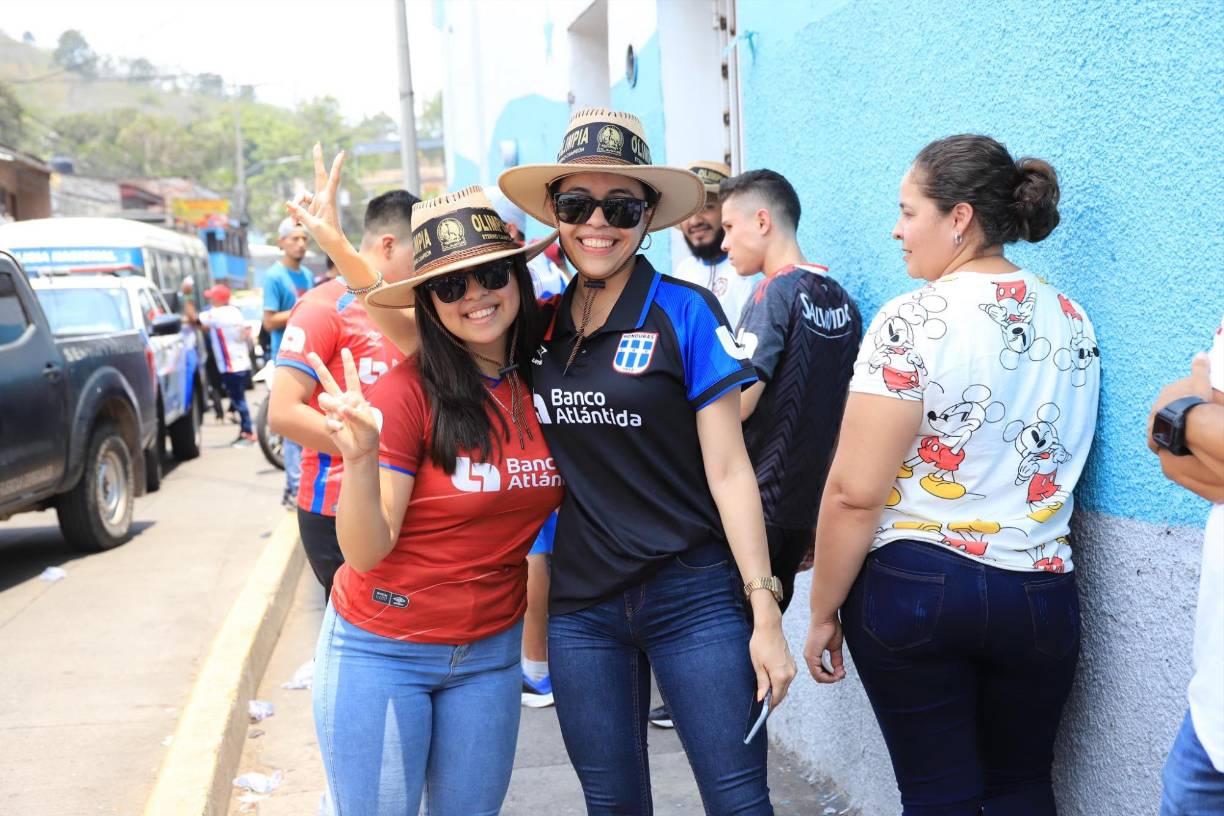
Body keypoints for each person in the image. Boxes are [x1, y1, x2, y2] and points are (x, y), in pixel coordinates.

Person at [498, 107, 796, 813]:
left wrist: (764, 609)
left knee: (737, 801)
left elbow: (729, 471)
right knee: (612, 803)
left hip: (692, 596)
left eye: (620, 206)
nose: (597, 223)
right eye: (575, 204)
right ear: (554, 215)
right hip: (581, 609)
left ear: (650, 215)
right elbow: (427, 318)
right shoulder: (533, 323)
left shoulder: (685, 312)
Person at [803, 135, 1099, 815]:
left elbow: (854, 492)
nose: (897, 230)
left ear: (959, 217)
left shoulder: (913, 319)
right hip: (1040, 593)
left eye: (909, 211)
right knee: (1023, 788)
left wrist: (820, 611)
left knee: (940, 796)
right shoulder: (1073, 319)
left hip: (919, 586)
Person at [286, 185, 563, 813]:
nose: (475, 295)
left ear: (519, 275)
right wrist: (357, 460)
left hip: (492, 654)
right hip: (381, 651)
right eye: (449, 286)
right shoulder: (410, 392)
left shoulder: (549, 368)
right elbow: (364, 550)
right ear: (428, 302)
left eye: (491, 273)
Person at [269, 189, 419, 602]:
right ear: (388, 244)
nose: (422, 267)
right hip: (335, 509)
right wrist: (369, 450)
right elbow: (283, 412)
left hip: (401, 504)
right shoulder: (323, 306)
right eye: (418, 253)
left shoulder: (410, 311)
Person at [722, 168, 862, 606]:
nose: (723, 243)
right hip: (802, 515)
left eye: (729, 227)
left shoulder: (772, 293)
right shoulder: (844, 302)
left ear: (762, 222)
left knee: (734, 657)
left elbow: (739, 403)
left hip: (754, 510)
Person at [485, 186, 565, 707]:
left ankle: (537, 668)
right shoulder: (552, 281)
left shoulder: (537, 288)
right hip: (547, 437)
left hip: (535, 439)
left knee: (537, 555)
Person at [1148, 323, 1224, 816]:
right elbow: (1171, 457)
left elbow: (1170, 418)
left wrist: (1187, 415)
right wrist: (1190, 414)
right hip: (1213, 716)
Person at [670, 160, 762, 328]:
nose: (695, 221)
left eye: (707, 207)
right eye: (689, 212)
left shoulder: (749, 271)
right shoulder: (684, 271)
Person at [262, 217, 313, 508]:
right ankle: (295, 489)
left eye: (304, 238)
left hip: (308, 358)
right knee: (294, 428)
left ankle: (295, 486)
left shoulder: (305, 274)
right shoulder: (274, 276)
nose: (301, 244)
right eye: (295, 239)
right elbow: (269, 321)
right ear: (281, 242)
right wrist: (301, 309)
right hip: (285, 360)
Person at [197, 283, 255, 446]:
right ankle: (245, 431)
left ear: (218, 298)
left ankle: (248, 433)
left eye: (212, 297)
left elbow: (194, 320)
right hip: (242, 364)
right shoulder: (234, 311)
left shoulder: (217, 314)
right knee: (239, 400)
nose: (210, 300)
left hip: (231, 366)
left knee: (239, 401)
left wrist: (187, 296)